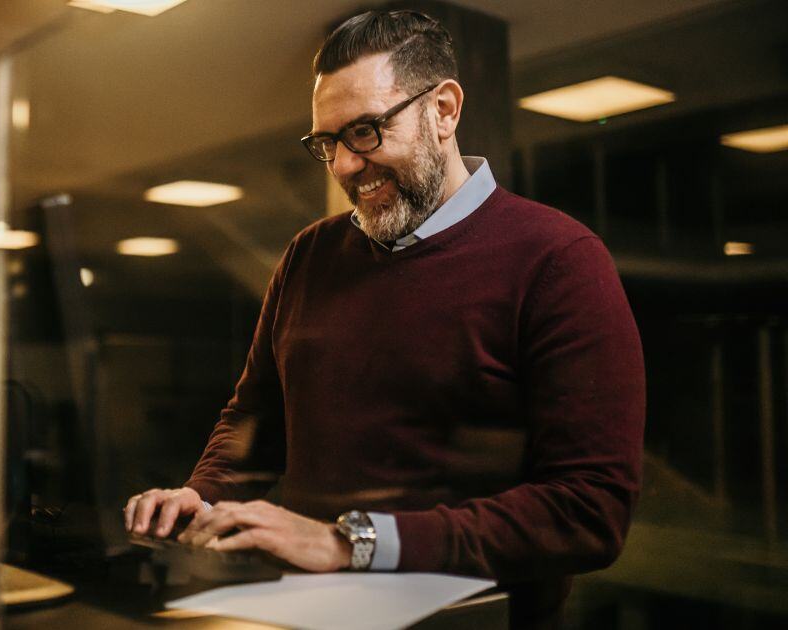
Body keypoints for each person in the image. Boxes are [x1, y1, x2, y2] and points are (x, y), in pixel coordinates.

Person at [124, 10, 644, 629]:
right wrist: (202, 495)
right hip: (313, 614)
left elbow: (587, 511)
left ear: (445, 110)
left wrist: (351, 543)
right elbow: (255, 418)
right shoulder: (307, 256)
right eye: (327, 143)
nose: (344, 165)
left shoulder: (558, 259)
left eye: (366, 131)